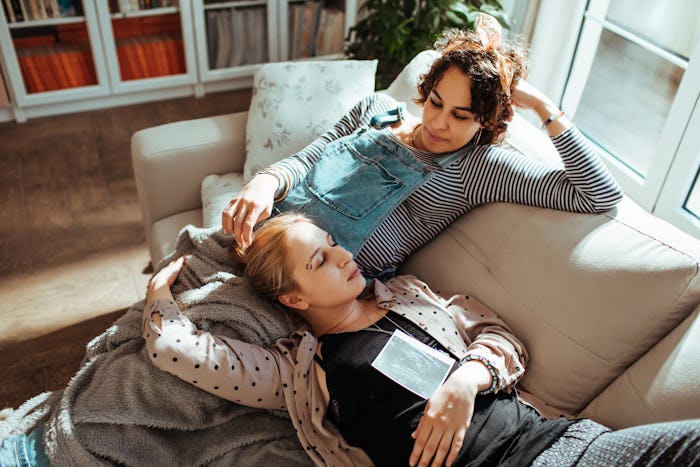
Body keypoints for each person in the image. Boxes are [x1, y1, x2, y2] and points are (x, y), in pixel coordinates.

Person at [144, 213, 700, 467]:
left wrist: (466, 379)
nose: (344, 256)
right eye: (320, 260)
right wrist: (157, 292)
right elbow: (180, 351)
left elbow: (501, 338)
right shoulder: (298, 369)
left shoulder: (409, 294)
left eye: (334, 243)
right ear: (294, 300)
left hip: (552, 451)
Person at [222, 14, 624, 280]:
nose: (438, 123)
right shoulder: (377, 109)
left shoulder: (480, 169)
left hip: (314, 289)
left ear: (486, 120)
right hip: (257, 239)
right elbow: (313, 155)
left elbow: (600, 196)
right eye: (435, 102)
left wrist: (544, 108)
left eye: (461, 116)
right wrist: (266, 180)